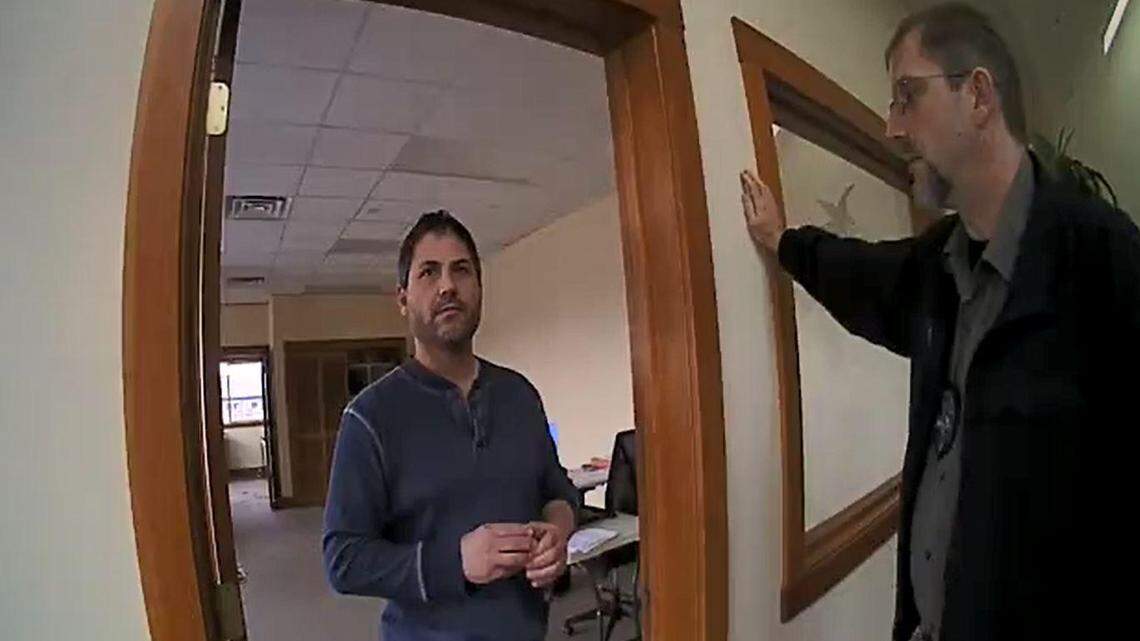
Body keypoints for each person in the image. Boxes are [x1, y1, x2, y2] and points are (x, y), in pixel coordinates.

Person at [740, 4, 1139, 640]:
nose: (891, 127)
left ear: (977, 95)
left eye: (907, 96)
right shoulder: (933, 270)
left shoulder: (1103, 260)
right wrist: (782, 240)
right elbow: (855, 270)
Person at [323, 210, 578, 641]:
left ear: (479, 289)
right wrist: (454, 562)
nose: (448, 286)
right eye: (429, 272)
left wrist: (557, 531)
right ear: (403, 299)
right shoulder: (370, 417)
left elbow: (558, 490)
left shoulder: (519, 395)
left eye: (461, 270)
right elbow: (344, 558)